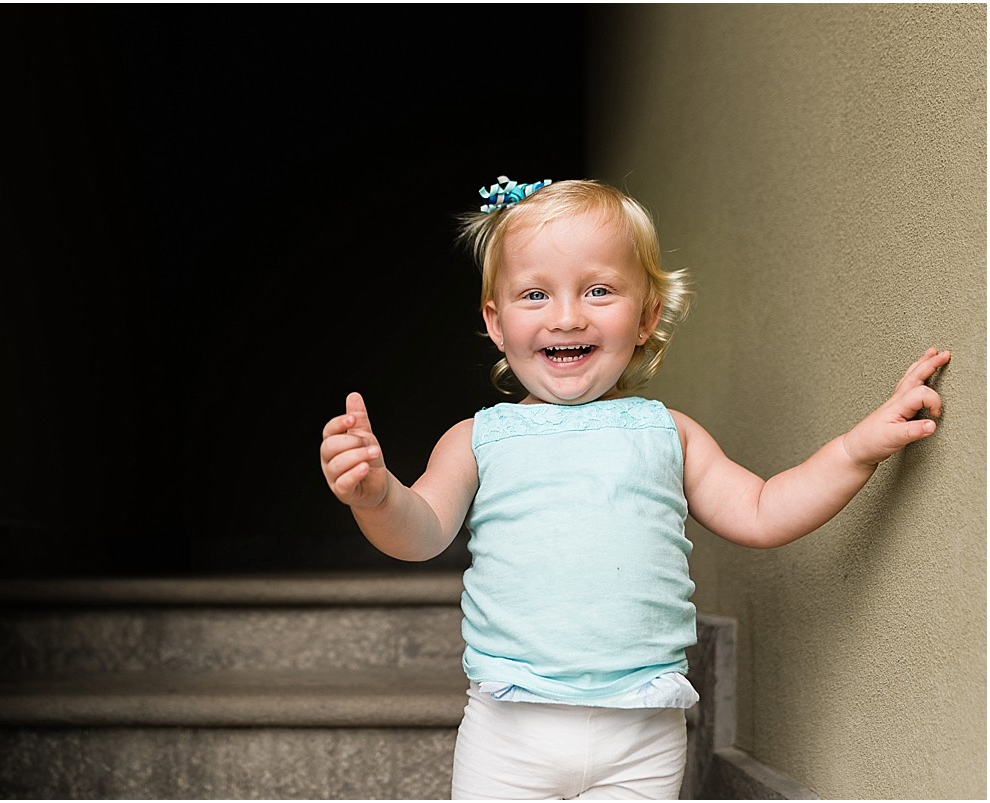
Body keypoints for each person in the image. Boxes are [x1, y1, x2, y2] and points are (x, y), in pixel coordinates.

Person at [318, 176, 949, 800]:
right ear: (496, 321)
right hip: (510, 728)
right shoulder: (479, 438)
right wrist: (377, 496)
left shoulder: (667, 434)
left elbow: (762, 510)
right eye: (535, 294)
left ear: (647, 316)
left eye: (597, 290)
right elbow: (421, 532)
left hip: (642, 731)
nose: (566, 316)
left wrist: (856, 449)